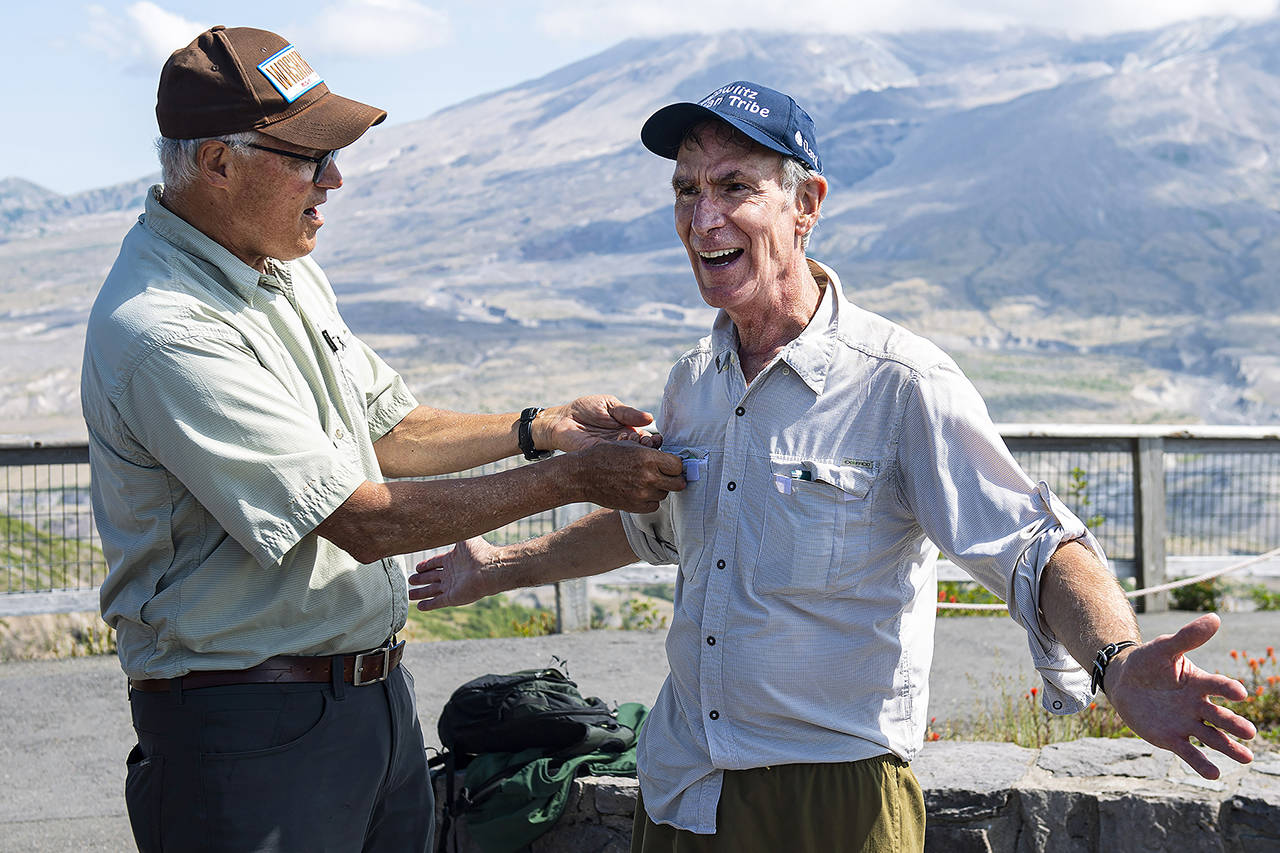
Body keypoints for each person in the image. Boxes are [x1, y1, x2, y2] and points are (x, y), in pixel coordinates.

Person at [409, 81, 1258, 852]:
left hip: (835, 805)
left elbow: (1036, 544)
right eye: (686, 189)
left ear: (806, 204)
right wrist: (498, 566)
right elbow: (649, 530)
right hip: (679, 795)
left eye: (734, 186)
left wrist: (1117, 661)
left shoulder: (900, 383)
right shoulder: (692, 381)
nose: (703, 219)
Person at [79, 25, 684, 853]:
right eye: (305, 157)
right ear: (217, 163)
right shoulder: (166, 332)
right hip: (248, 732)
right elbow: (363, 521)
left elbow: (390, 428)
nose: (334, 178)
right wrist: (575, 480)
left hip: (365, 706)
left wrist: (540, 430)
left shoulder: (277, 270)